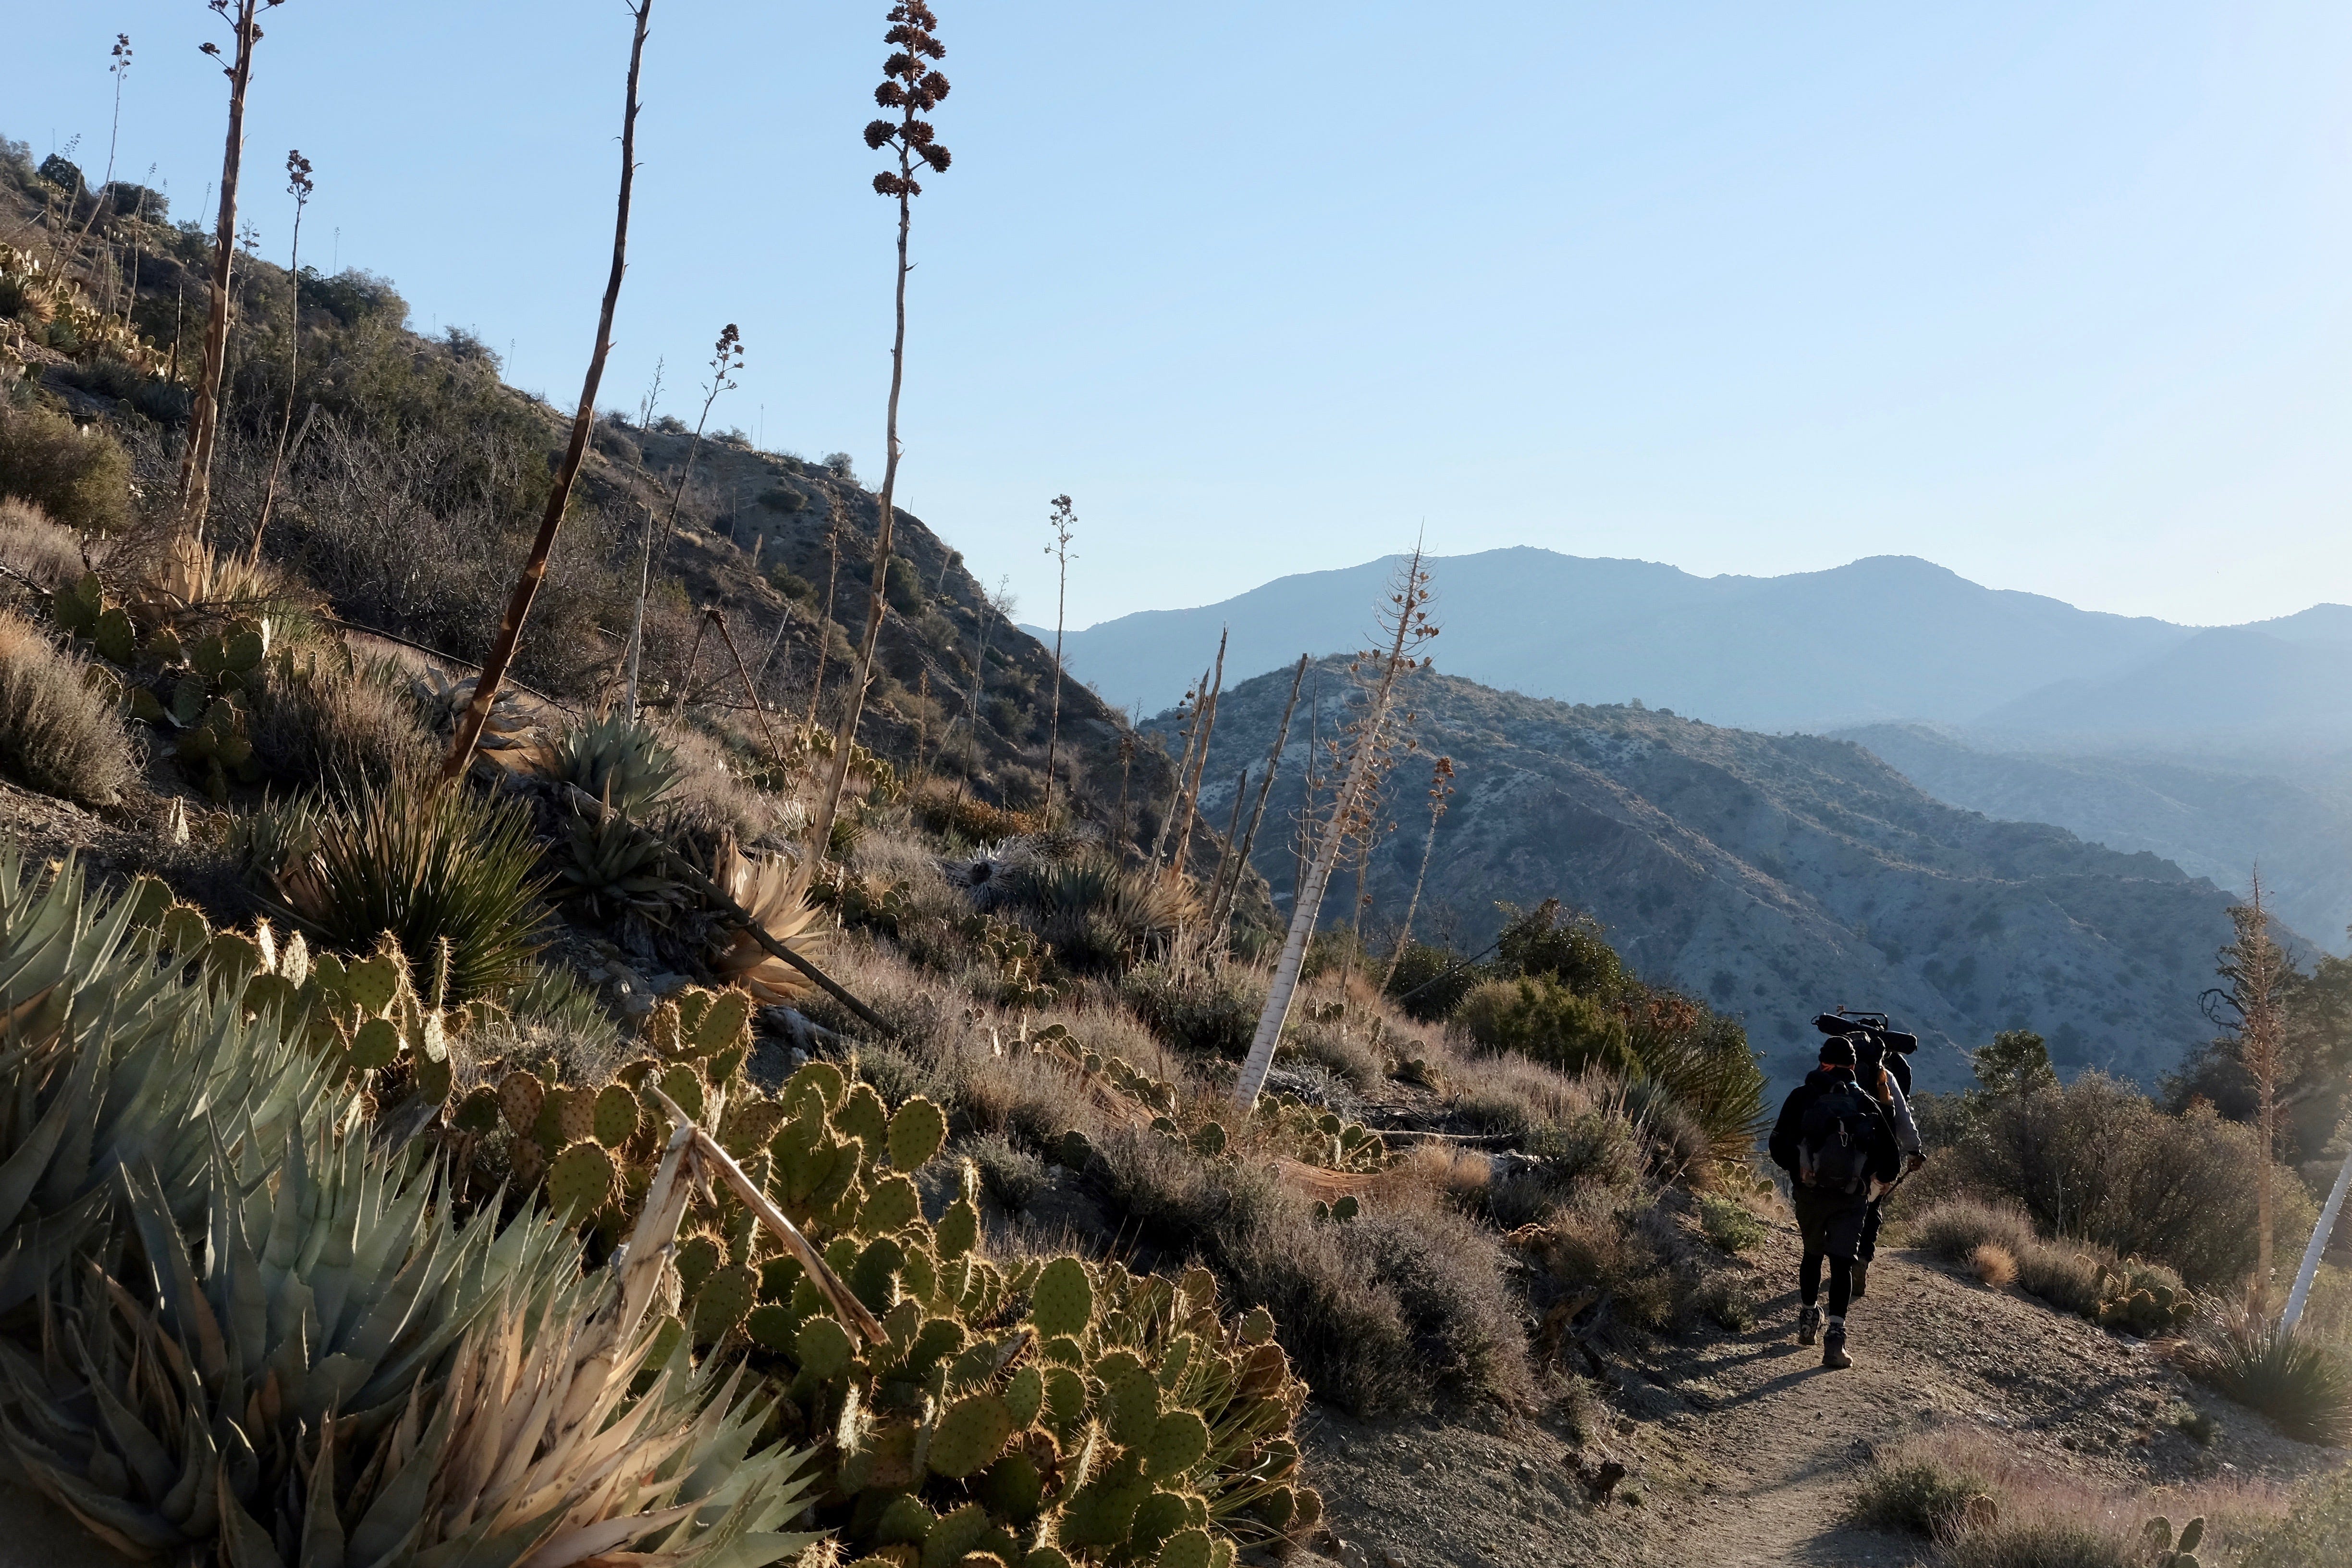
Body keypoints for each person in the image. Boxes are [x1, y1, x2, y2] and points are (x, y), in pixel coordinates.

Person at [1768, 1035, 1899, 1370]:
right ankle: (1836, 1340)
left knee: (1812, 1254)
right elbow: (1892, 1161)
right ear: (1855, 1066)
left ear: (1823, 1063)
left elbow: (1777, 1143)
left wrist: (1800, 1172)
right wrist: (1874, 1181)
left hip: (1810, 1193)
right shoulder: (1867, 1102)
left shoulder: (1801, 1097)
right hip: (1851, 1196)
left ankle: (1809, 1317)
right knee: (1842, 1263)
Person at [1850, 1033, 1925, 1301]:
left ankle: (1840, 1257)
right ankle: (1863, 1258)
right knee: (1871, 1209)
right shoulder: (1887, 1079)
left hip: (1842, 1158)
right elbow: (1903, 1119)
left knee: (1839, 1208)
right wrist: (1914, 1150)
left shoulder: (1836, 1076)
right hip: (1878, 1159)